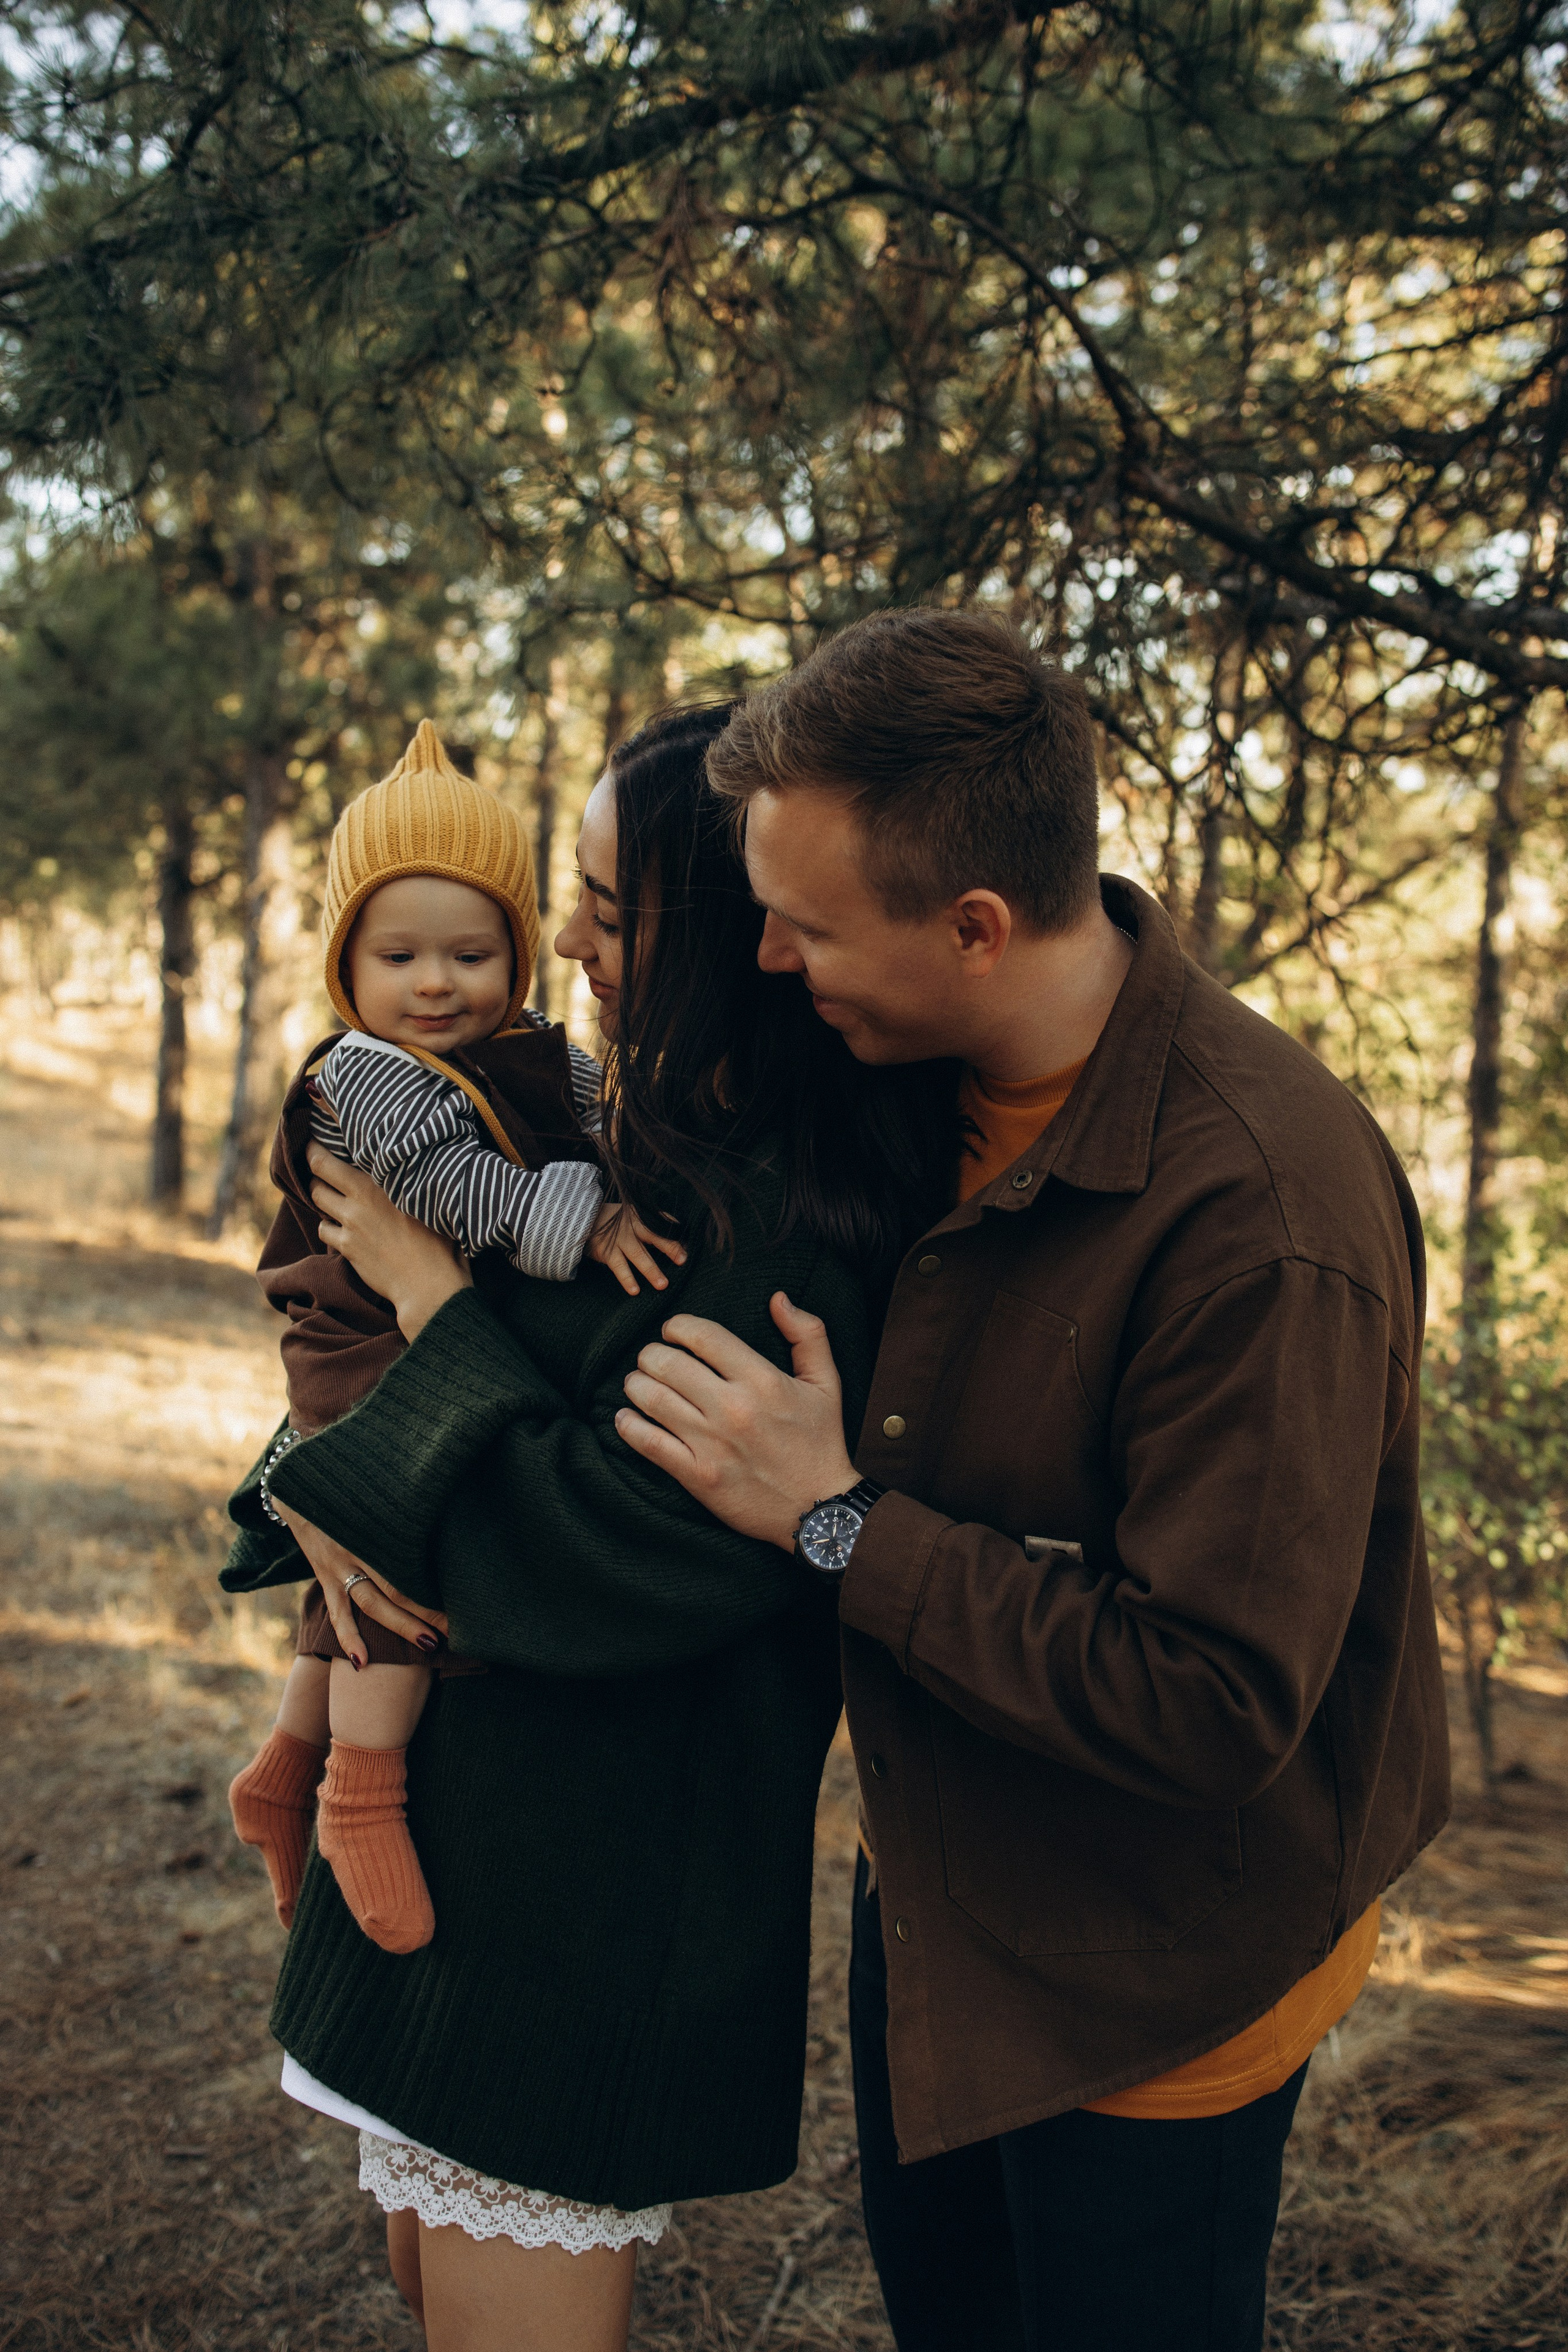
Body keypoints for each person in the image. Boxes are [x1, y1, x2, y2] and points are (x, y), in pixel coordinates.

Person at [612, 608, 1452, 2352]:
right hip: (950, 1898)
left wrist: (838, 1522)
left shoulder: (1262, 1222)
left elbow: (1216, 1698)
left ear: (975, 928)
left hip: (1159, 1985)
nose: (767, 959)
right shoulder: (920, 1081)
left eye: (804, 925)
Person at [220, 704, 957, 2352]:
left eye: (610, 913)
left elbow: (604, 1555)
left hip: (583, 1914)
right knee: (429, 2292)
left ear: (742, 935)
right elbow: (353, 1409)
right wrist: (327, 1455)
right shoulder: (616, 1133)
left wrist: (427, 1309)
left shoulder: (787, 1232)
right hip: (451, 1866)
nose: (562, 944)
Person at [227, 718, 680, 1956]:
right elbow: (444, 1190)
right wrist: (583, 1224)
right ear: (346, 968)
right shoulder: (366, 1076)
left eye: (472, 954)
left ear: (516, 956)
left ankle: (283, 1759)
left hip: (410, 1324)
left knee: (374, 1546)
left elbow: (600, 1111)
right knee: (396, 1549)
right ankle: (356, 1792)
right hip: (359, 1335)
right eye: (400, 955)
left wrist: (626, 1147)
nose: (437, 984)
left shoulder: (526, 1055)